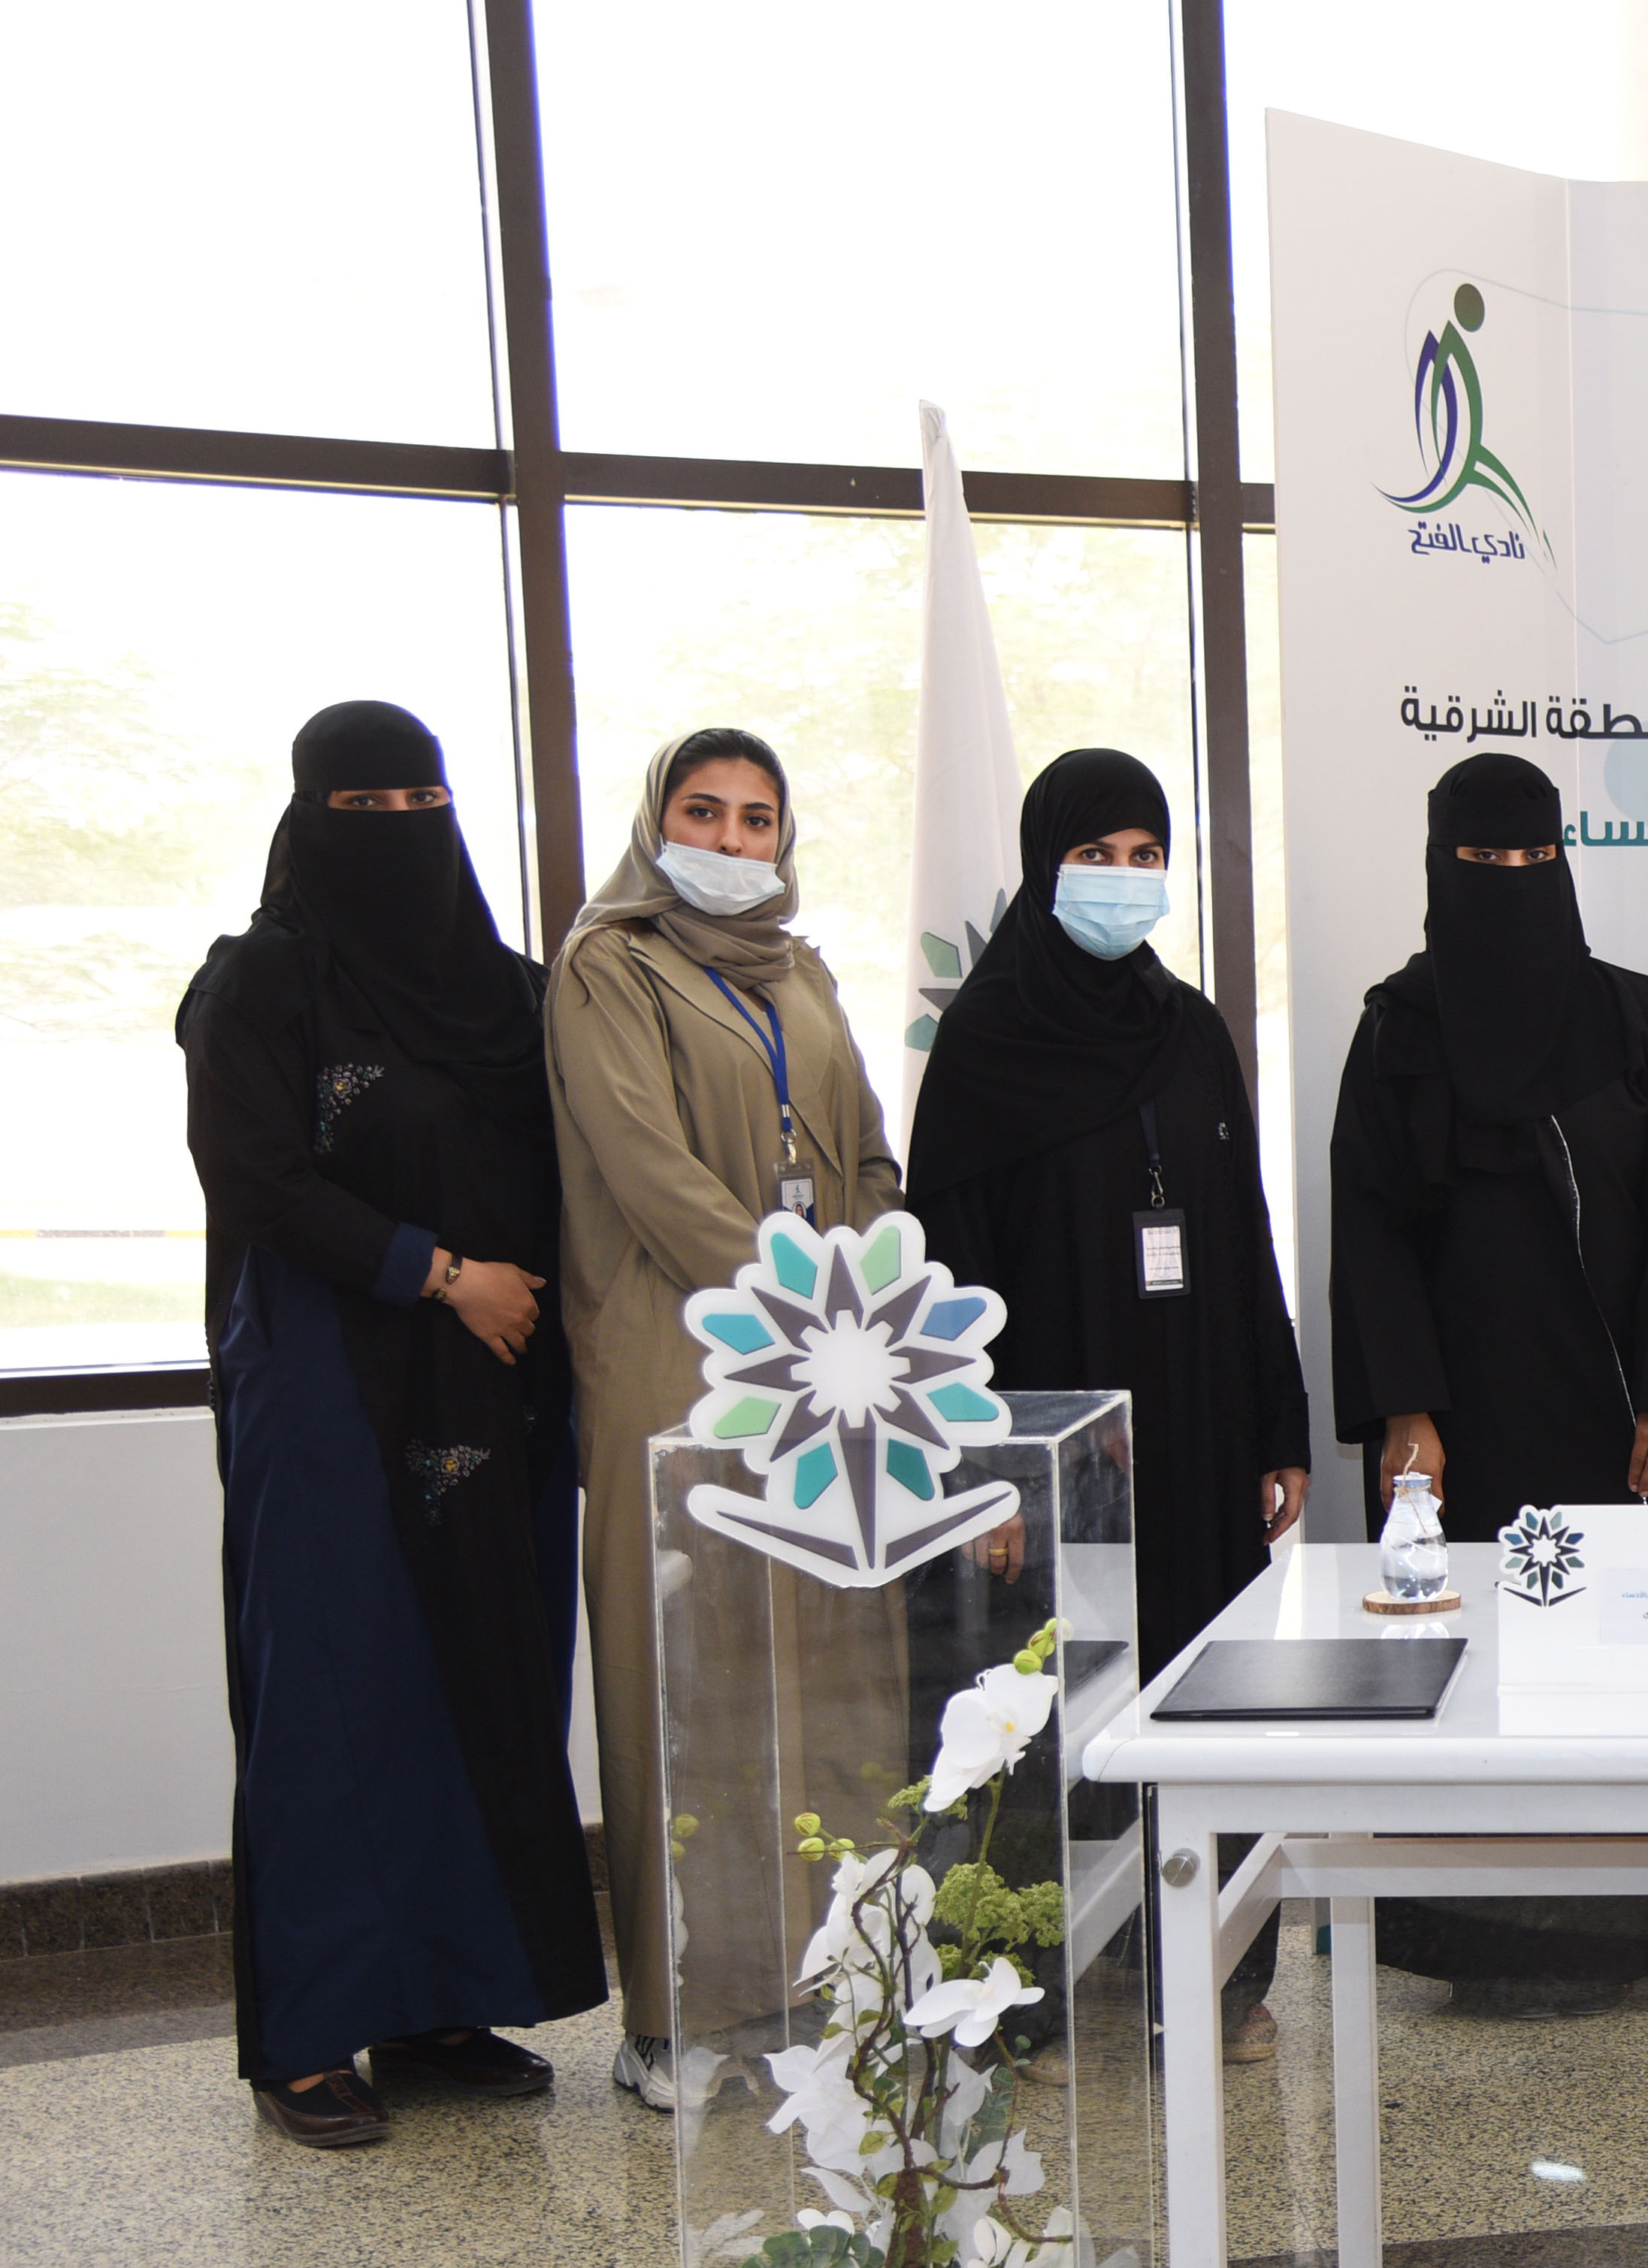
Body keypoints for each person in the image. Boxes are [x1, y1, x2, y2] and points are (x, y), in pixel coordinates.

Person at [180, 700, 606, 2146]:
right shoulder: (259, 986)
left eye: (415, 804)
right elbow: (256, 1180)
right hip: (328, 1382)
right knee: (334, 1696)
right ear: (308, 822)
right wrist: (439, 1273)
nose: (392, 837)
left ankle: (446, 2002)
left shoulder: (511, 989)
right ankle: (306, 2037)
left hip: (498, 1387)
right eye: (360, 814)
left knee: (486, 1677)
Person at [1326, 751, 1648, 2014]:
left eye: (1536, 860)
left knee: (1627, 1667)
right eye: (1485, 863)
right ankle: (1488, 1941)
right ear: (1439, 866)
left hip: (1622, 1414)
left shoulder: (1628, 1014)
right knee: (1482, 1669)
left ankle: (1633, 1933)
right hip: (1465, 1426)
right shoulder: (1396, 1029)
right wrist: (1403, 1412)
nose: (1514, 884)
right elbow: (1366, 1230)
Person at [909, 749, 1307, 2061]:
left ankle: (1209, 1979)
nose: (1126, 882)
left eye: (1148, 857)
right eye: (1099, 856)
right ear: (1043, 864)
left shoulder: (1186, 1025)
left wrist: (1277, 1423)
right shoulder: (981, 1046)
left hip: (1194, 1429)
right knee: (1052, 1704)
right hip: (1056, 1440)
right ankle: (1018, 1988)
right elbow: (948, 1278)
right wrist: (978, 1466)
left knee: (1202, 1688)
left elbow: (1240, 1236)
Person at [549, 729, 907, 2111]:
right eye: (703, 812)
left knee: (819, 1674)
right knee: (678, 1677)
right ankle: (672, 2012)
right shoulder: (608, 965)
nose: (732, 838)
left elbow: (866, 1144)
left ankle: (824, 1979)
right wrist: (796, 1292)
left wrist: (861, 1269)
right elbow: (644, 1164)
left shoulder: (801, 968)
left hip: (826, 1361)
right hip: (681, 1359)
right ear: (657, 824)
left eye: (757, 818)